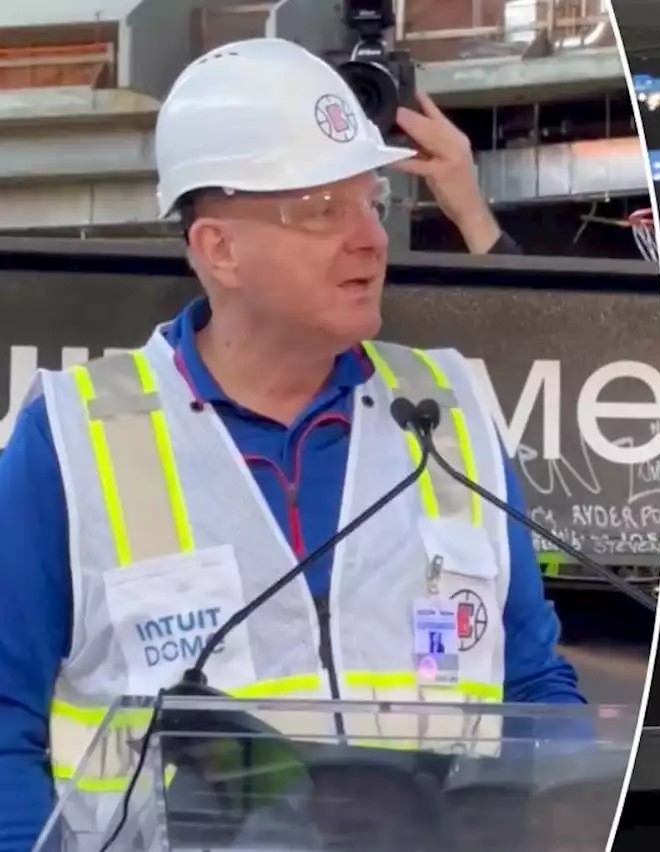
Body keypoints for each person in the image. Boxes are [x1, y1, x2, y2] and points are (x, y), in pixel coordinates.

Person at [0, 37, 583, 850]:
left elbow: (531, 682)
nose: (369, 238)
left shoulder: (444, 415)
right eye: (321, 210)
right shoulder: (74, 436)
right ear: (219, 250)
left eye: (370, 202)